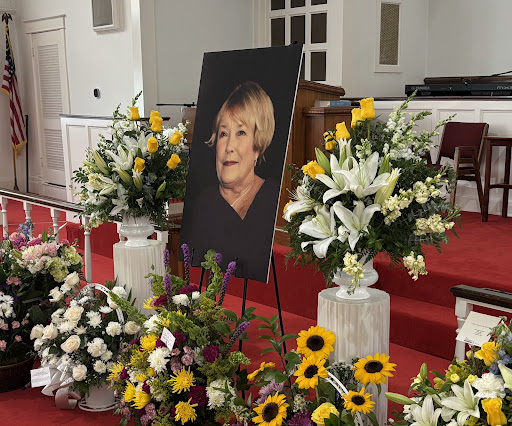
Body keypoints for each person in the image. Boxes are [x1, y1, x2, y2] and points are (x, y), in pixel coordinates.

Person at [182, 81, 280, 282]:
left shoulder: (274, 198)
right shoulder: (204, 203)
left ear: (258, 146)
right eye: (223, 134)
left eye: (241, 133)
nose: (229, 147)